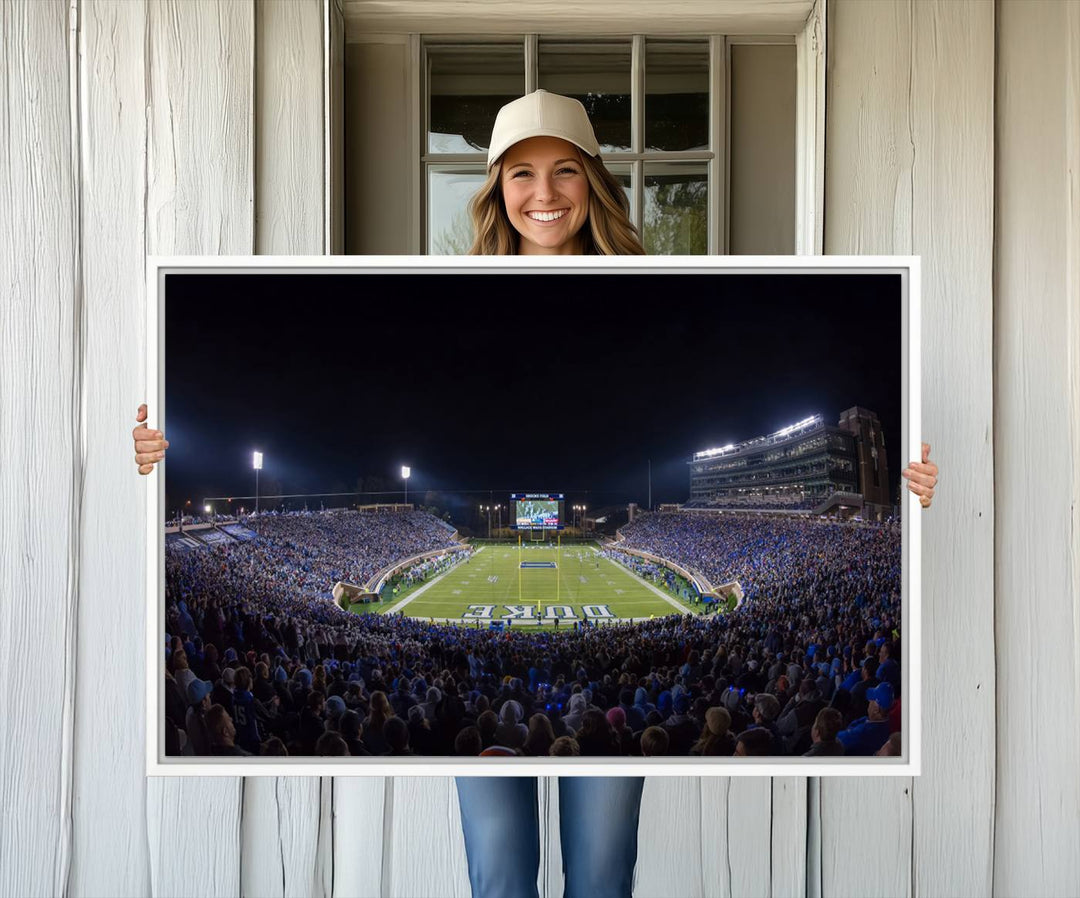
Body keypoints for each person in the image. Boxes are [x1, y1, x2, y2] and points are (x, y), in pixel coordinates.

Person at [133, 89, 940, 898]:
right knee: (501, 877)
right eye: (521, 173)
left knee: (599, 876)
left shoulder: (652, 278)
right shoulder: (451, 282)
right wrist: (147, 461)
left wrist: (914, 491)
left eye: (564, 172)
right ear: (495, 188)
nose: (544, 194)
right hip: (503, 734)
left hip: (581, 734)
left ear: (594, 180)